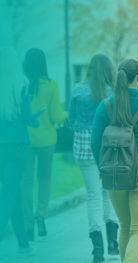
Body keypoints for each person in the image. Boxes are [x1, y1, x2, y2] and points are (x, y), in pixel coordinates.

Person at [91, 59, 138, 263]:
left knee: (125, 226)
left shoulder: (105, 107)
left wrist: (103, 169)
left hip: (114, 173)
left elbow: (94, 143)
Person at [68, 54, 120, 263]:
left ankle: (97, 249)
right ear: (109, 71)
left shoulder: (78, 90)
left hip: (84, 146)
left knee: (93, 195)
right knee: (110, 193)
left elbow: (71, 120)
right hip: (109, 147)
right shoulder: (114, 93)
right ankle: (113, 244)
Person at [21, 48, 67, 240]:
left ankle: (27, 224)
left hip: (25, 141)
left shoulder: (22, 86)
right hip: (47, 141)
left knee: (26, 182)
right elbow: (57, 116)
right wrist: (65, 115)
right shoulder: (51, 86)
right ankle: (41, 215)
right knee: (44, 179)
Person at [0, 47, 39, 256]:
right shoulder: (21, 84)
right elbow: (27, 118)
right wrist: (36, 118)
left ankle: (24, 245)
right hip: (17, 147)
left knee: (11, 192)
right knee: (8, 195)